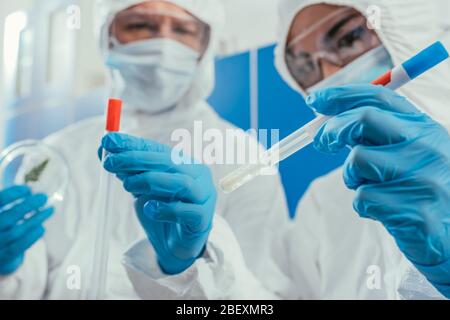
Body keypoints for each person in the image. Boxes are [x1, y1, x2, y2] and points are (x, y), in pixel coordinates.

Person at [118, 0, 450, 300]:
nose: (332, 77)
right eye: (306, 65)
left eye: (348, 39)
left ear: (411, 27)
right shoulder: (326, 203)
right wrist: (191, 269)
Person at [0, 0, 290, 299]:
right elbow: (27, 285)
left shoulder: (244, 157)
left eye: (182, 29)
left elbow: (263, 300)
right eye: (140, 25)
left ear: (206, 46)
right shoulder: (57, 153)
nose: (163, 44)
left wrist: (190, 264)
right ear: (107, 37)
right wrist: (6, 268)